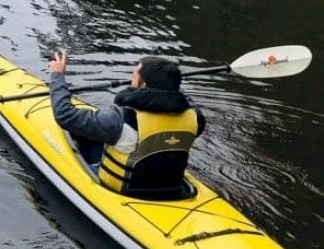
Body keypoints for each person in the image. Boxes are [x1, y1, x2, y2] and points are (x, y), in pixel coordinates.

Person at [47, 52, 206, 199]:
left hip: (124, 192)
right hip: (172, 190)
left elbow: (64, 115)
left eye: (134, 75)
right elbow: (182, 101)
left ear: (143, 85)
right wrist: (171, 86)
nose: (132, 79)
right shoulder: (195, 119)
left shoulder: (122, 119)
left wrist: (57, 75)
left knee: (84, 137)